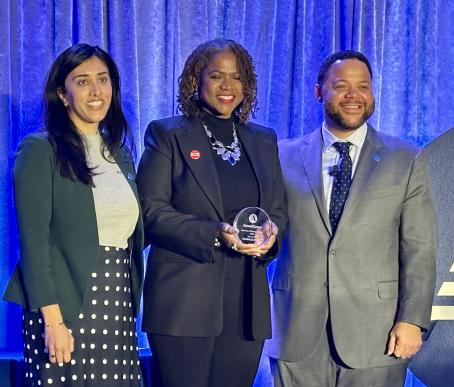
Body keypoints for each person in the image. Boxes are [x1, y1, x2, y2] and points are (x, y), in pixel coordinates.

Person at [265, 50, 437, 386]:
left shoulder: (405, 159)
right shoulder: (281, 155)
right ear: (319, 91)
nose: (353, 95)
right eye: (341, 85)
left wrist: (413, 320)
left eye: (363, 86)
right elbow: (269, 231)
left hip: (377, 336)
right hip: (296, 331)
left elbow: (420, 248)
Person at [136, 38, 286, 387]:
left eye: (237, 77)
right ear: (195, 80)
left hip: (246, 306)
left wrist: (270, 236)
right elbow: (151, 212)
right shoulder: (167, 134)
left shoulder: (263, 140)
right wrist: (213, 232)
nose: (227, 86)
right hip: (184, 303)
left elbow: (277, 210)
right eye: (217, 76)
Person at [3, 43, 145, 386]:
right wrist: (53, 322)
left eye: (103, 79)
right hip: (65, 308)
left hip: (117, 306)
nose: (96, 91)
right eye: (82, 81)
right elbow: (34, 245)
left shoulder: (120, 153)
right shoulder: (40, 149)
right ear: (62, 94)